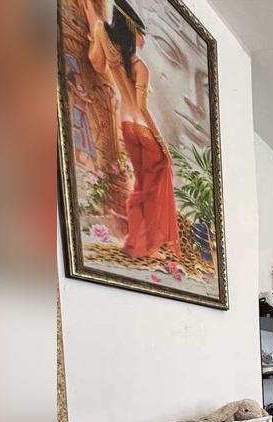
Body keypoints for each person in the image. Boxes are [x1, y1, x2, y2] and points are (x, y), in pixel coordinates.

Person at [82, 0, 182, 261]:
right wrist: (160, 141)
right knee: (158, 177)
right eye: (140, 32)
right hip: (143, 128)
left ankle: (138, 243)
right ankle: (149, 244)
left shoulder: (105, 38)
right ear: (131, 30)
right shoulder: (140, 67)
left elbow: (96, 64)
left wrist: (93, 24)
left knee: (141, 184)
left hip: (126, 127)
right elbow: (143, 108)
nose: (143, 39)